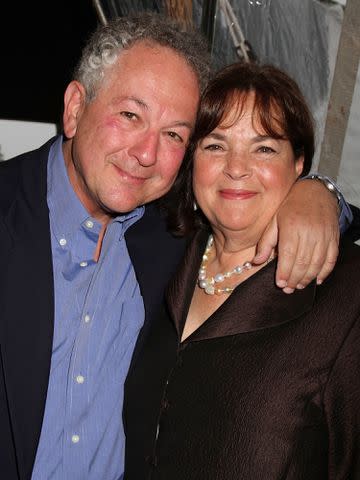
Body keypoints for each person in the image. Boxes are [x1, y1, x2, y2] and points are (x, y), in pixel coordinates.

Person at [0, 13, 352, 480]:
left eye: (173, 135)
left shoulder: (164, 236)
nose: (147, 154)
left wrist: (322, 194)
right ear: (75, 108)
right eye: (130, 115)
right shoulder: (178, 244)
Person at [123, 62, 360, 479]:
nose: (236, 167)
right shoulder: (160, 253)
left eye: (264, 148)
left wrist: (325, 191)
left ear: (299, 163)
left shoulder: (346, 294)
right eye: (215, 145)